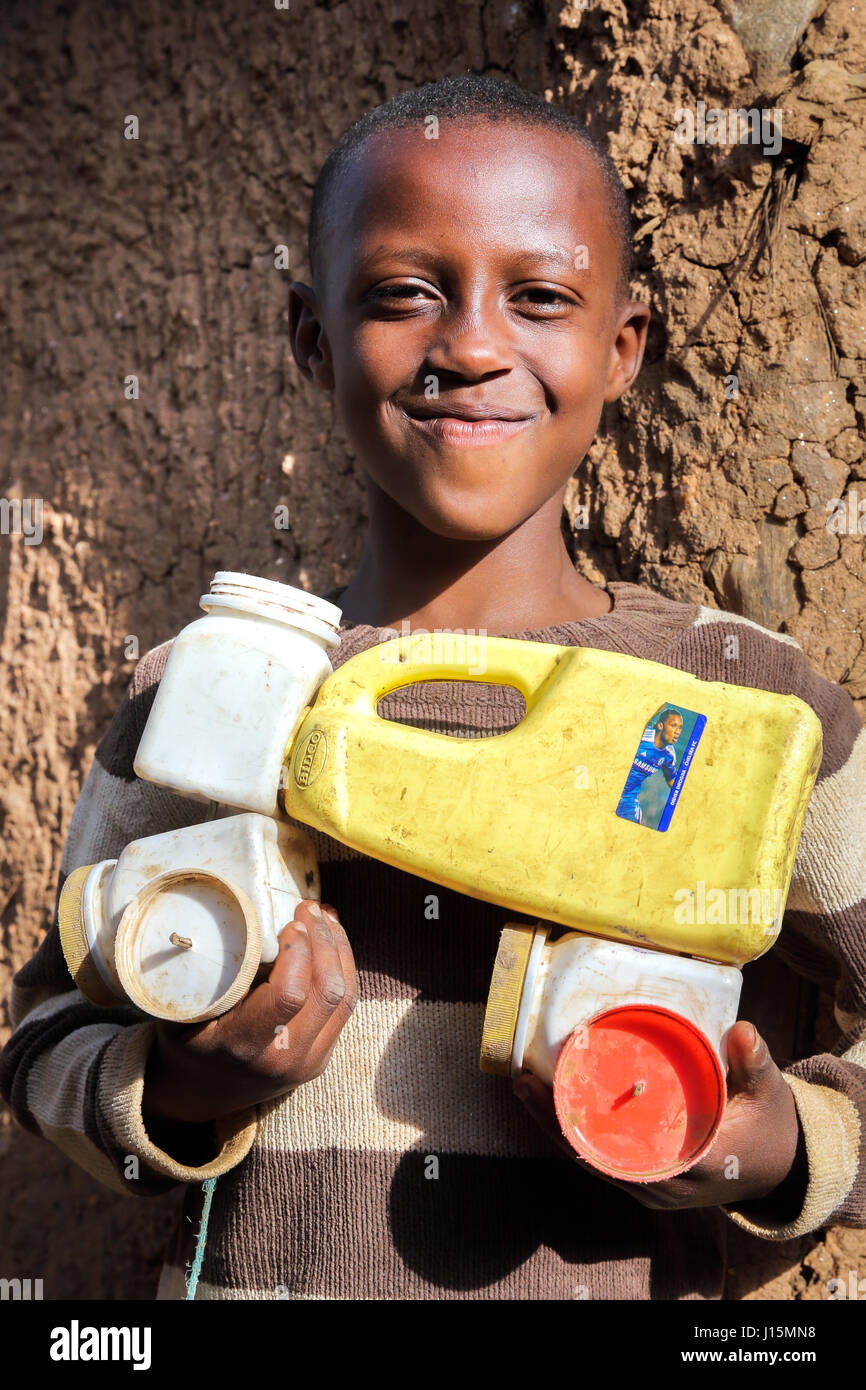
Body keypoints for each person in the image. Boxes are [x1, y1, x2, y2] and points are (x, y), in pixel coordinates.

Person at [2, 74, 864, 1301]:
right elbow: (43, 1041)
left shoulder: (740, 701)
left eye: (540, 298)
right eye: (406, 294)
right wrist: (184, 1089)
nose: (468, 345)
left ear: (623, 347)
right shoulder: (214, 689)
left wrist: (779, 1148)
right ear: (311, 337)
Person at [616, 707, 683, 825]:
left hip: (628, 800)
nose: (677, 731)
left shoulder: (670, 755)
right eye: (673, 725)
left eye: (680, 728)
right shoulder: (642, 736)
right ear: (660, 726)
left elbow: (672, 781)